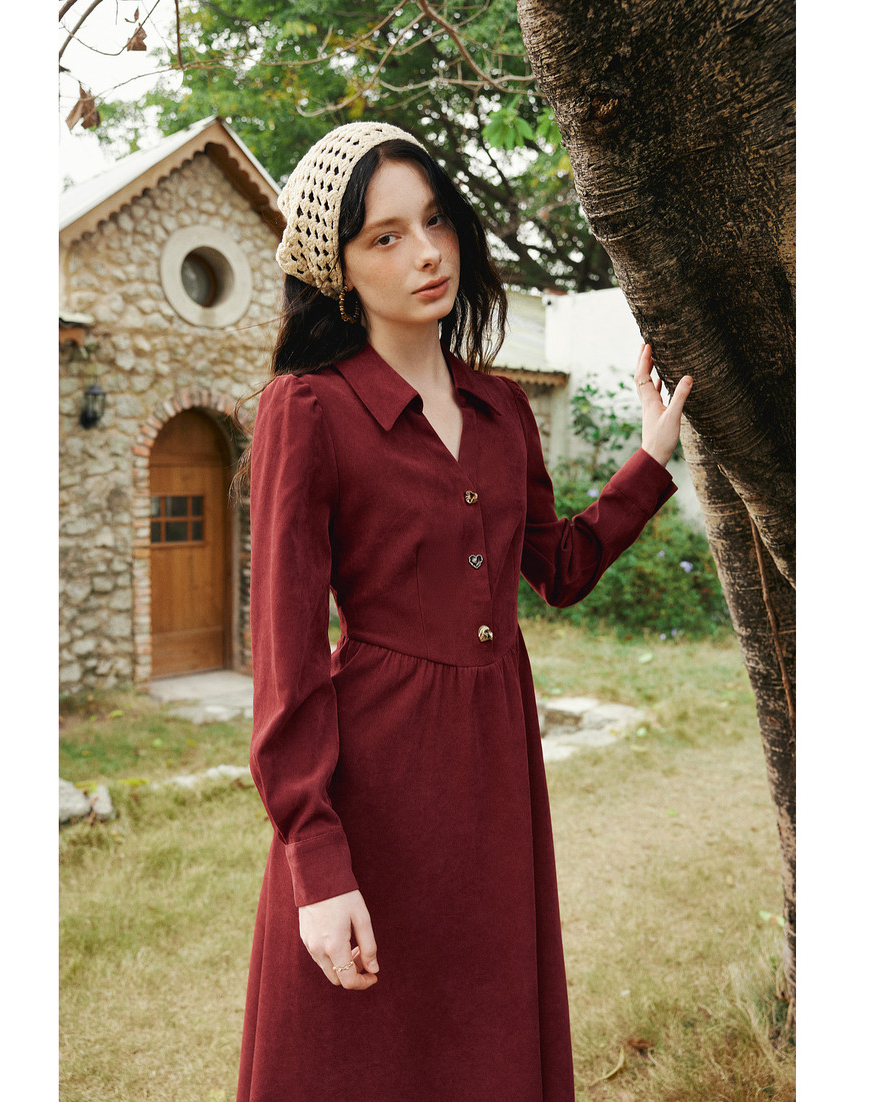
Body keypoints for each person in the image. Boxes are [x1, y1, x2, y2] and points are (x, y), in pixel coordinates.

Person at [235, 121, 692, 1102]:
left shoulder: (501, 410)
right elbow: (284, 654)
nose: (427, 252)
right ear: (337, 270)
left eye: (435, 220)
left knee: (482, 1036)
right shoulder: (307, 411)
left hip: (494, 775)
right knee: (360, 1052)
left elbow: (559, 568)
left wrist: (650, 459)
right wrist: (316, 860)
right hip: (372, 778)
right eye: (386, 236)